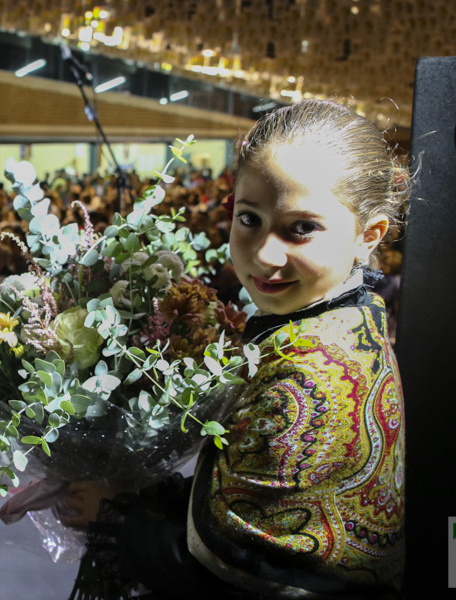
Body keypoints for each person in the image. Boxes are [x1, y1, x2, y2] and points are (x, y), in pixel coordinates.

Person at [67, 99, 407, 599]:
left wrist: (114, 515)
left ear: (368, 235)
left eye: (302, 228)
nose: (266, 254)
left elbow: (225, 577)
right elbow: (249, 496)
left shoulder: (310, 376)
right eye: (250, 219)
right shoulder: (348, 316)